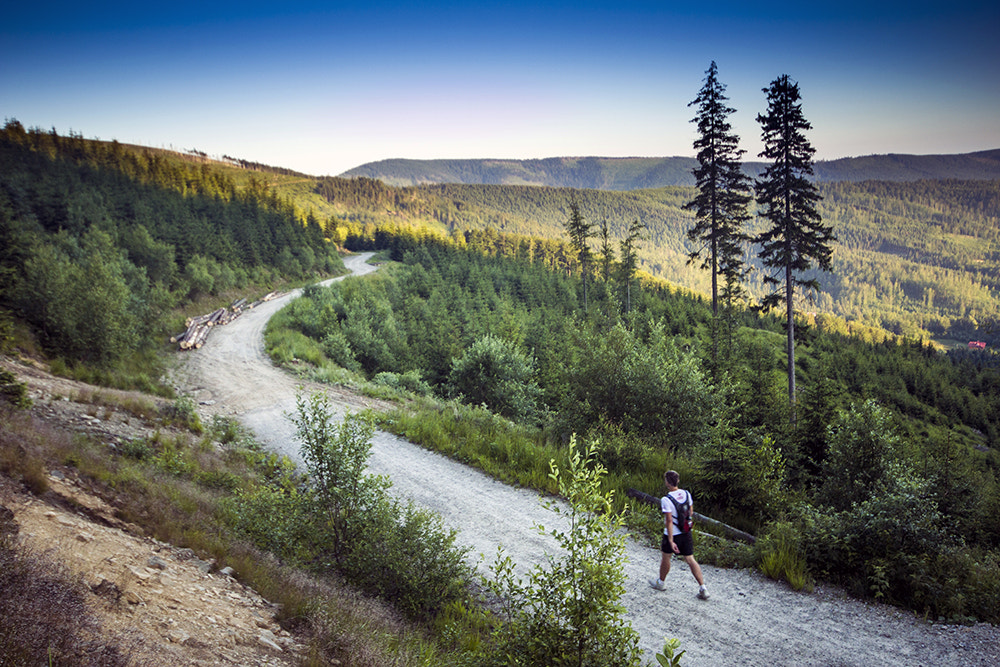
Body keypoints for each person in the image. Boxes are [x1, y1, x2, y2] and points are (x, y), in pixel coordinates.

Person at [649, 470, 708, 600]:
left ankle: (661, 582)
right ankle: (703, 587)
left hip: (672, 533)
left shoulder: (666, 499)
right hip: (686, 531)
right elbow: (690, 512)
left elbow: (669, 521)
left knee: (666, 557)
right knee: (690, 559)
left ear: (667, 482)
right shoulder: (687, 494)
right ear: (678, 481)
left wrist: (670, 540)